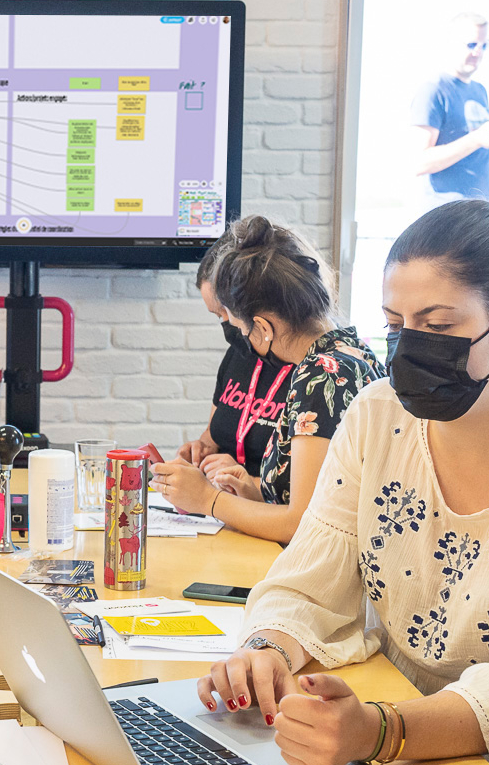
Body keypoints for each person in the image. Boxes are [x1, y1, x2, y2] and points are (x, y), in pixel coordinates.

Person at [198, 193, 489, 765]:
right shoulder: (379, 415)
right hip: (385, 749)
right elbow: (310, 580)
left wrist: (379, 732)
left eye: (439, 326)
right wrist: (266, 650)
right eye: (396, 326)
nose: (411, 347)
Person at [152, 216, 380, 544]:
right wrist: (250, 489)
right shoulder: (354, 353)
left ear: (264, 326)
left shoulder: (319, 377)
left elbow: (300, 523)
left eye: (242, 327)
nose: (241, 337)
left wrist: (206, 499)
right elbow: (322, 496)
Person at [176, 225, 289, 480]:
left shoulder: (311, 371)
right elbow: (213, 435)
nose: (230, 324)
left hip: (258, 508)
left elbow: (305, 495)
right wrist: (201, 450)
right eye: (218, 316)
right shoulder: (239, 354)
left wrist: (243, 479)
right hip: (223, 506)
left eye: (228, 312)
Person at [408, 12, 489, 202]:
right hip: (449, 218)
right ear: (451, 43)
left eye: (484, 45)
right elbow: (419, 162)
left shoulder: (479, 90)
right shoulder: (433, 90)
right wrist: (477, 139)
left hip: (483, 213)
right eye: (471, 45)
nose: (478, 52)